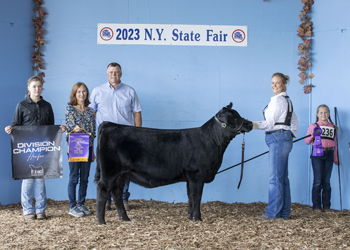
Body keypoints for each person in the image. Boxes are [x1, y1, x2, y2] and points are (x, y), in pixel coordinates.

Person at [4, 76, 66, 221]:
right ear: (28, 88)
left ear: (42, 87)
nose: (37, 89)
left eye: (39, 86)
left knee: (40, 180)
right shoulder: (21, 106)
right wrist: (10, 129)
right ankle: (27, 211)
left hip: (43, 148)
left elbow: (51, 128)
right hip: (27, 149)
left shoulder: (47, 106)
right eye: (34, 86)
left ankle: (40, 211)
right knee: (27, 180)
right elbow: (15, 125)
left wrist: (59, 129)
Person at [89, 62, 142, 211]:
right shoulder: (97, 91)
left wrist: (138, 134)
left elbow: (137, 112)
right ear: (107, 74)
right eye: (111, 72)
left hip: (127, 136)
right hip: (106, 137)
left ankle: (123, 198)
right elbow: (91, 113)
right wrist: (93, 133)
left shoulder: (130, 91)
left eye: (116, 72)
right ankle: (106, 199)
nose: (114, 74)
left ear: (121, 74)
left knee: (126, 168)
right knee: (105, 168)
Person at [253, 72, 298, 220]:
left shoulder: (278, 101)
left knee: (275, 179)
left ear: (284, 84)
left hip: (277, 138)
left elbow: (269, 124)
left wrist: (250, 125)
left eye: (278, 83)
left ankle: (272, 213)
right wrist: (290, 134)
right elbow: (294, 121)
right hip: (283, 138)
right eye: (272, 83)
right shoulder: (287, 100)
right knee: (283, 178)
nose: (274, 86)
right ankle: (284, 213)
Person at [65, 82, 96, 217]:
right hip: (76, 145)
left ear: (87, 94)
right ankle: (72, 206)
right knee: (73, 178)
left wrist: (93, 151)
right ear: (74, 94)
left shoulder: (90, 111)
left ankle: (81, 203)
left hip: (88, 147)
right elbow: (71, 126)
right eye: (78, 92)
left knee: (85, 177)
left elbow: (93, 132)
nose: (81, 94)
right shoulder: (70, 109)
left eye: (84, 91)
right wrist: (76, 130)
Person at [304, 104, 339, 213]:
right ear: (317, 114)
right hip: (317, 155)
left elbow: (335, 143)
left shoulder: (332, 127)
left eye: (326, 112)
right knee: (318, 181)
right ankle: (316, 207)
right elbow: (307, 141)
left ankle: (327, 206)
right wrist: (312, 134)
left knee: (327, 181)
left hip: (329, 154)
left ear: (329, 114)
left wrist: (335, 157)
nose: (323, 115)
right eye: (321, 113)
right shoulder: (313, 125)